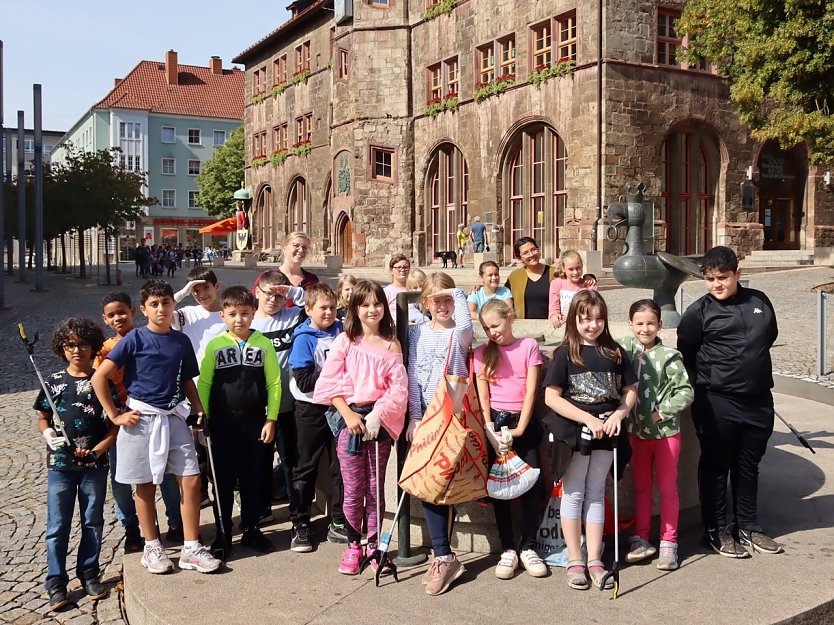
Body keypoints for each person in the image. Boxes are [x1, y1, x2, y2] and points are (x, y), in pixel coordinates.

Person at [92, 280, 222, 576]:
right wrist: (115, 416)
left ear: (173, 305)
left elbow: (187, 379)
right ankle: (152, 545)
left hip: (173, 418)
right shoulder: (134, 339)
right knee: (145, 485)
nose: (161, 309)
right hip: (141, 420)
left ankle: (191, 546)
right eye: (154, 304)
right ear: (143, 309)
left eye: (166, 302)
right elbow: (100, 377)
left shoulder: (180, 341)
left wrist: (199, 409)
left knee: (190, 479)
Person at [677, 246, 781, 557]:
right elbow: (688, 351)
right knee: (716, 466)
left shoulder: (760, 301)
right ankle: (716, 530)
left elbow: (768, 337)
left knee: (749, 466)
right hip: (717, 400)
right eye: (709, 279)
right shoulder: (698, 312)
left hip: (759, 400)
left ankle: (747, 525)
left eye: (723, 277)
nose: (716, 284)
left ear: (738, 274)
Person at [543, 290, 637, 590]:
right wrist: (587, 419)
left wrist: (619, 415)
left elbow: (630, 389)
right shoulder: (564, 354)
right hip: (574, 433)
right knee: (573, 492)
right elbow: (551, 397)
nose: (593, 325)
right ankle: (574, 558)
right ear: (575, 320)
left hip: (607, 434)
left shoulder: (616, 352)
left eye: (598, 319)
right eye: (586, 320)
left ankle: (595, 558)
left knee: (597, 491)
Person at [313, 280, 407, 575]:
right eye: (364, 305)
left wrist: (379, 413)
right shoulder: (345, 341)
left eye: (376, 304)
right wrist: (348, 415)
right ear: (354, 308)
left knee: (375, 487)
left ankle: (376, 546)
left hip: (378, 422)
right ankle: (354, 545)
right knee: (353, 488)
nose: (371, 310)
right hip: (350, 422)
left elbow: (398, 387)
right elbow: (329, 383)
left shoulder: (391, 344)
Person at [36, 318, 118, 611]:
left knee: (93, 521)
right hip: (60, 465)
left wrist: (98, 450)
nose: (76, 350)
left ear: (93, 346)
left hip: (94, 466)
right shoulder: (53, 382)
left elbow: (114, 424)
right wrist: (47, 433)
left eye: (82, 344)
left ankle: (89, 572)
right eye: (70, 345)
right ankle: (56, 581)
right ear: (62, 348)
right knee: (57, 525)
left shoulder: (102, 381)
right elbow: (43, 417)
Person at [95, 292, 183, 553]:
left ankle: (175, 522)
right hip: (123, 419)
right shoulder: (105, 350)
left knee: (165, 473)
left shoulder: (149, 337)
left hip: (151, 414)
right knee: (123, 478)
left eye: (122, 311)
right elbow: (98, 379)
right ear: (105, 319)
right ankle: (132, 528)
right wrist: (114, 415)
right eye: (111, 315)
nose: (118, 318)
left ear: (134, 311)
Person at [198, 286, 281, 557]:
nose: (239, 319)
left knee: (253, 479)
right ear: (222, 315)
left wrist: (271, 419)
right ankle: (223, 533)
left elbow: (274, 384)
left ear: (253, 313)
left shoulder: (263, 344)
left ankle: (251, 528)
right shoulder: (215, 345)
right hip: (221, 426)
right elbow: (205, 383)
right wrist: (203, 416)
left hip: (255, 424)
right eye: (232, 314)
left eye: (245, 313)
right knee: (221, 481)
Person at [406, 272, 473, 595]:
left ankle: (444, 555)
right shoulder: (418, 333)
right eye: (437, 300)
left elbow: (464, 329)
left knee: (439, 485)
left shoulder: (457, 335)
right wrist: (414, 417)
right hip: (426, 417)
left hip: (451, 413)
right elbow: (412, 375)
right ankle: (442, 553)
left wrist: (455, 292)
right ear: (425, 303)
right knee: (429, 486)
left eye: (448, 300)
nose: (444, 305)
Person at [473, 299, 547, 580]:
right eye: (486, 328)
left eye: (496, 325)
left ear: (510, 318)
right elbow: (483, 396)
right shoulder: (482, 353)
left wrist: (520, 429)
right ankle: (508, 547)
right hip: (495, 421)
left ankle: (528, 545)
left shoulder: (528, 346)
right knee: (499, 489)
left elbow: (531, 392)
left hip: (521, 422)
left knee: (530, 486)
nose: (492, 332)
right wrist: (489, 428)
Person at [618, 299, 693, 570]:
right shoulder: (625, 349)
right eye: (639, 323)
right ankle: (641, 537)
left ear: (660, 325)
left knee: (667, 489)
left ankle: (669, 542)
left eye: (651, 323)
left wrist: (662, 412)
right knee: (641, 487)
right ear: (630, 325)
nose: (645, 329)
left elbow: (685, 391)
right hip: (637, 434)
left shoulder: (669, 357)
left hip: (664, 435)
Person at [288, 283, 346, 551]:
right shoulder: (304, 338)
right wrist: (334, 370)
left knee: (340, 466)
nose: (329, 312)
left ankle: (338, 520)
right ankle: (300, 522)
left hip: (339, 408)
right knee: (306, 466)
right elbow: (304, 381)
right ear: (309, 309)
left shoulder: (341, 331)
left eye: (332, 307)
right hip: (311, 409)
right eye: (323, 308)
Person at [250, 270, 308, 532]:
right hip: (258, 409)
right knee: (258, 463)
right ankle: (261, 509)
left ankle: (297, 514)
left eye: (278, 295)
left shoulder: (292, 316)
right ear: (257, 293)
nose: (272, 300)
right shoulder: (248, 323)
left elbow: (316, 303)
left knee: (290, 463)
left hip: (289, 406)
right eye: (267, 294)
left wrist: (292, 292)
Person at [505, 237, 557, 320]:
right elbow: (501, 295)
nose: (531, 254)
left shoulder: (555, 273)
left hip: (552, 327)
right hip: (523, 329)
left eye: (533, 249)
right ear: (519, 258)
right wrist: (480, 288)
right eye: (525, 253)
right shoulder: (514, 277)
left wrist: (585, 279)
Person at [548, 250, 598, 328]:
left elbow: (592, 309)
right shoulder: (556, 284)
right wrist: (554, 315)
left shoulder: (589, 286)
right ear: (563, 268)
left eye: (578, 268)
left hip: (583, 326)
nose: (575, 272)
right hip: (563, 325)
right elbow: (553, 306)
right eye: (571, 269)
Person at [383, 254, 411, 322]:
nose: (402, 270)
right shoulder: (387, 291)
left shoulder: (414, 289)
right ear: (391, 270)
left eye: (405, 267)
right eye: (399, 267)